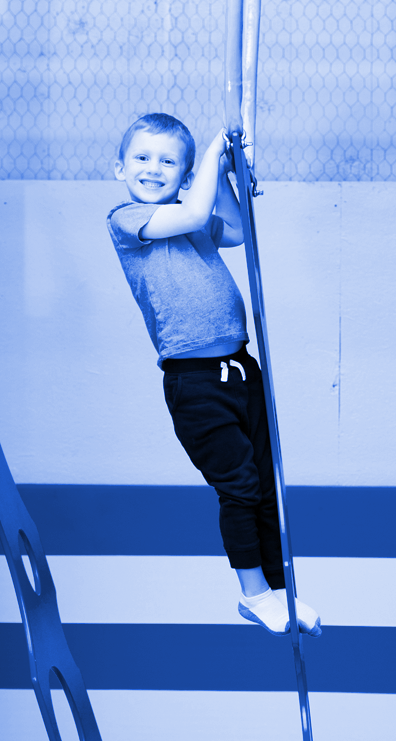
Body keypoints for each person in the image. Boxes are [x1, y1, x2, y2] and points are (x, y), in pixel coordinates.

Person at [106, 113, 320, 636]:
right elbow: (197, 208)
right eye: (141, 158)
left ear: (182, 176)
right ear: (119, 168)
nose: (153, 169)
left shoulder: (190, 214)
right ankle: (252, 594)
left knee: (264, 484)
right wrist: (209, 153)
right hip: (195, 380)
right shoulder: (127, 218)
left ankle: (276, 593)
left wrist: (225, 168)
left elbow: (237, 230)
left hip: (240, 370)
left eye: (167, 161)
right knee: (239, 485)